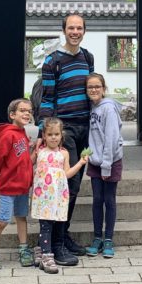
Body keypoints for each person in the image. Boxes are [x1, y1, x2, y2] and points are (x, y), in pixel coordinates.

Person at [36, 12, 93, 261]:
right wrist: (44, 132)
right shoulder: (52, 61)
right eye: (71, 28)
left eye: (79, 28)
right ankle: (56, 244)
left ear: (84, 31)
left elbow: (92, 91)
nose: (75, 32)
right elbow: (47, 98)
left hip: (84, 128)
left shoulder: (87, 57)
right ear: (64, 30)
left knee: (75, 186)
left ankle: (63, 234)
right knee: (67, 184)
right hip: (65, 129)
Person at [0, 98, 35, 271]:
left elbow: (24, 160)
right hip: (8, 187)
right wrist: (2, 171)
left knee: (21, 217)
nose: (27, 113)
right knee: (3, 221)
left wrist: (35, 151)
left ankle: (24, 249)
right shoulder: (8, 135)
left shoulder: (23, 133)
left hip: (22, 187)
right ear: (12, 114)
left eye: (29, 111)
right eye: (22, 110)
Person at [30, 117, 88, 273]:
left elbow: (67, 173)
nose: (53, 137)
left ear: (62, 135)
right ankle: (46, 256)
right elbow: (28, 163)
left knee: (58, 222)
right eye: (50, 134)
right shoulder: (40, 150)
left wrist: (80, 163)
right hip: (43, 197)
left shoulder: (64, 153)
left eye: (56, 134)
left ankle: (41, 250)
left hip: (58, 196)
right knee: (46, 225)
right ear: (44, 135)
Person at [83, 73, 124, 258]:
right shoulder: (92, 107)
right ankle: (97, 237)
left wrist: (106, 165)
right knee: (97, 199)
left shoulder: (108, 108)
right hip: (95, 161)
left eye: (97, 86)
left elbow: (111, 138)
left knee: (109, 199)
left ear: (103, 88)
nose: (93, 90)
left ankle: (108, 238)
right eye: (90, 87)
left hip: (111, 160)